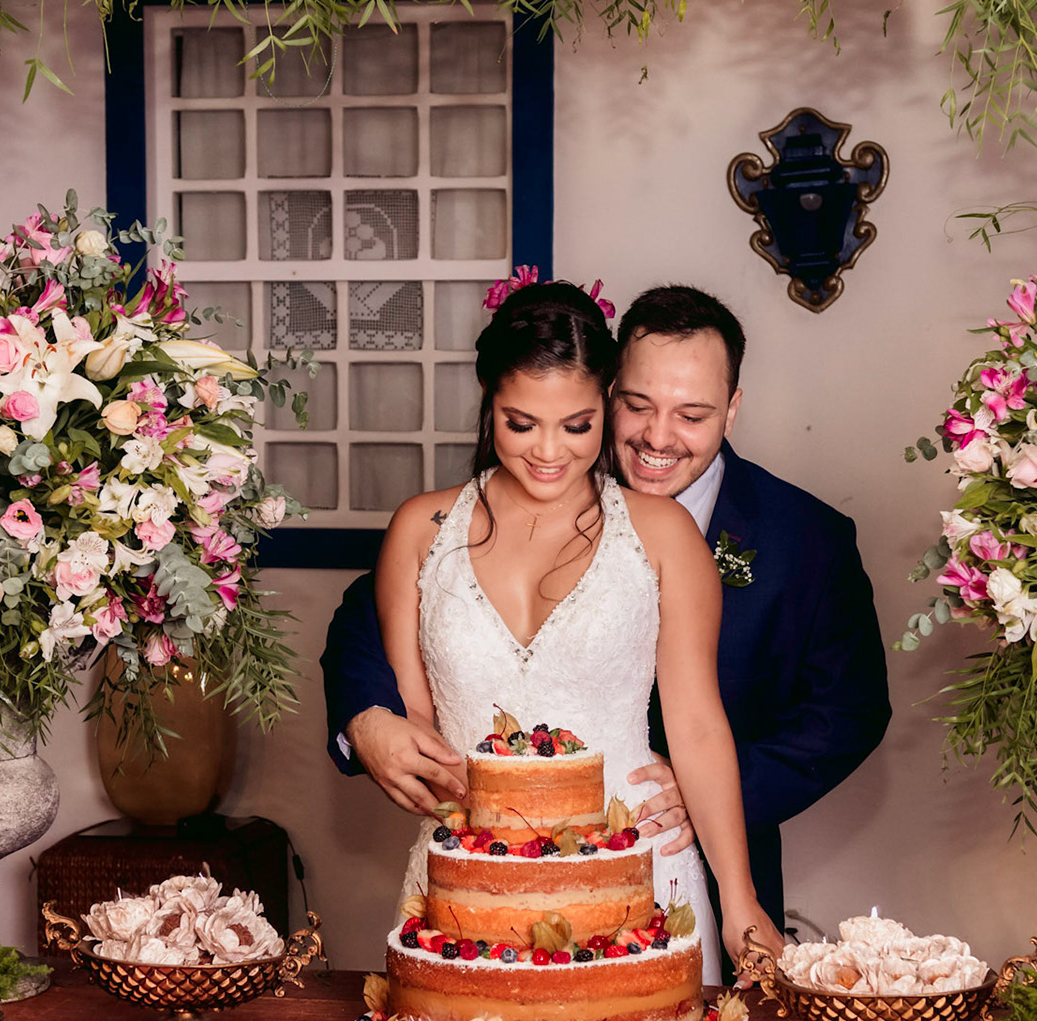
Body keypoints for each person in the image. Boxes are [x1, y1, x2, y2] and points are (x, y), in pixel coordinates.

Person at [323, 284, 890, 943]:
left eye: (691, 415)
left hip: (660, 861)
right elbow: (379, 625)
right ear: (611, 392)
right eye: (638, 406)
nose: (656, 436)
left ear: (732, 411)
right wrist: (368, 721)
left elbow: (842, 713)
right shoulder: (435, 524)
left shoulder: (804, 538)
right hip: (478, 870)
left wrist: (718, 830)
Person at [369, 280, 778, 978]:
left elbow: (698, 724)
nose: (549, 452)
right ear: (487, 404)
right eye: (521, 424)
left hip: (641, 869)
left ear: (608, 405)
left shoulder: (663, 533)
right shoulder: (418, 530)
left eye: (578, 426)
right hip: (476, 892)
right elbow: (416, 723)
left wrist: (740, 900)